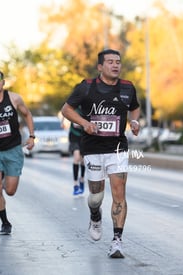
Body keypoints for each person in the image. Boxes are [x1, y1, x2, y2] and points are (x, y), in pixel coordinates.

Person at [61, 49, 140, 258]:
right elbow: (66, 110)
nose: (115, 65)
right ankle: (95, 216)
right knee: (96, 197)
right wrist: (85, 123)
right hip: (93, 148)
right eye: (110, 62)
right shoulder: (86, 87)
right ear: (100, 67)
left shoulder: (127, 87)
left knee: (119, 192)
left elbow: (135, 108)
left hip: (117, 148)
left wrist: (135, 121)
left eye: (118, 62)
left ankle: (117, 241)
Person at [0, 68, 35, 235]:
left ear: (3, 82)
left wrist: (32, 136)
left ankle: (5, 174)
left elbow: (27, 115)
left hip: (13, 149)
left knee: (11, 191)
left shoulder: (14, 98)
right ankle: (5, 222)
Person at [68, 108, 85, 196]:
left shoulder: (88, 106)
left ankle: (81, 179)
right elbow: (75, 124)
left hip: (84, 136)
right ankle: (75, 184)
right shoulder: (75, 107)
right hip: (74, 136)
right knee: (77, 157)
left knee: (83, 160)